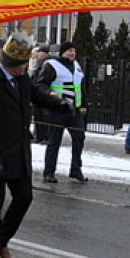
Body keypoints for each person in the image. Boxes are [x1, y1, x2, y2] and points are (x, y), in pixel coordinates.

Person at [0, 34, 69, 258]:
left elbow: (37, 96)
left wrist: (60, 104)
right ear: (9, 63)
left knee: (24, 197)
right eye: (21, 65)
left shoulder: (22, 80)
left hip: (18, 153)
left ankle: (1, 241)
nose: (25, 67)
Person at [36, 41, 88, 183]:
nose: (72, 53)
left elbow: (81, 87)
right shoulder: (52, 66)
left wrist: (83, 104)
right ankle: (49, 172)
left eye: (74, 50)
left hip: (74, 111)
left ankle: (76, 169)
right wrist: (50, 93)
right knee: (54, 141)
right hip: (57, 110)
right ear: (62, 52)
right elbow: (40, 84)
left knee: (79, 138)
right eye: (69, 50)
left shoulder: (77, 66)